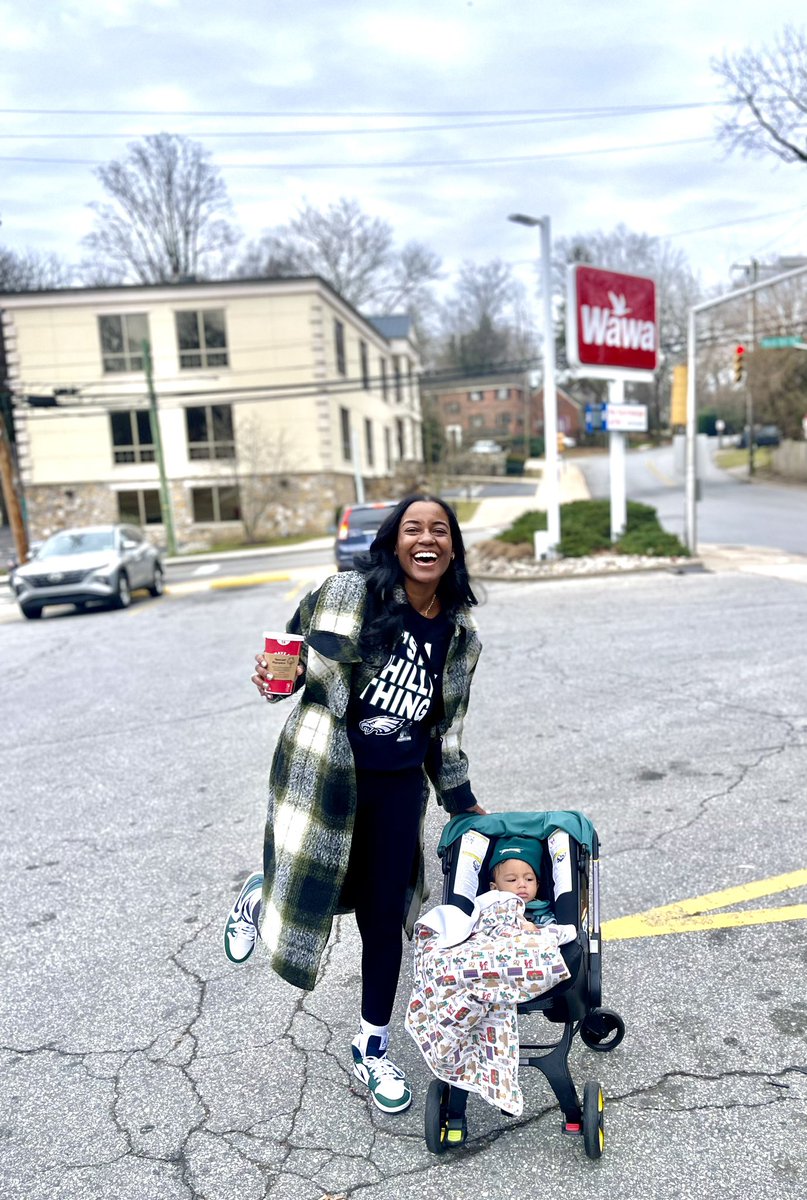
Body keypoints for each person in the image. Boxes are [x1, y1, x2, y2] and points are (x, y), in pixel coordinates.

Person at [223, 494, 486, 1115]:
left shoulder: (460, 635)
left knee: (383, 918)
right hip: (325, 772)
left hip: (398, 790)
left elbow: (445, 729)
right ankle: (263, 892)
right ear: (394, 542)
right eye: (413, 528)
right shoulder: (347, 594)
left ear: (453, 549)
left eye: (440, 530)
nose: (426, 538)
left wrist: (462, 801)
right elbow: (287, 660)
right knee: (313, 888)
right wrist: (272, 678)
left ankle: (371, 1047)